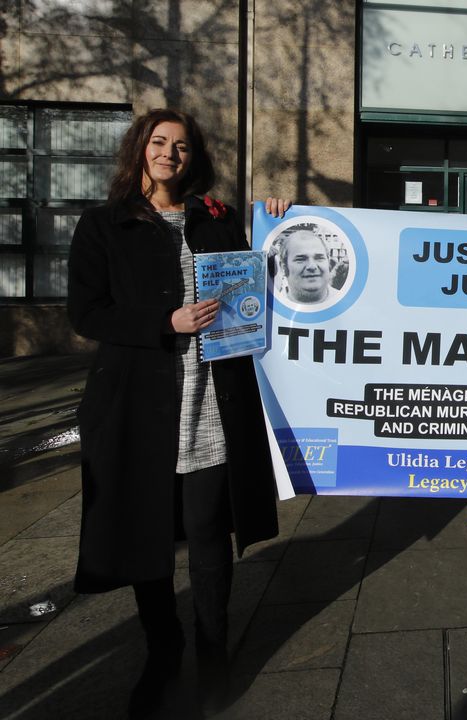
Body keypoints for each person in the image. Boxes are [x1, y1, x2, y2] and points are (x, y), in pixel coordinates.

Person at [67, 108, 292, 717]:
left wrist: (277, 226)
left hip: (212, 398)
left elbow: (257, 281)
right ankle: (163, 647)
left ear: (194, 159)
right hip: (138, 405)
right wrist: (163, 322)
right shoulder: (102, 224)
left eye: (183, 147)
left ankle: (213, 650)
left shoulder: (212, 219)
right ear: (140, 149)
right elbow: (87, 313)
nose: (170, 154)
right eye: (160, 142)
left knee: (209, 529)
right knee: (147, 532)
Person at [278, 227, 341, 305]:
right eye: (301, 259)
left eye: (319, 258)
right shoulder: (271, 307)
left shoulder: (346, 303)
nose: (312, 266)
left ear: (329, 263)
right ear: (283, 267)